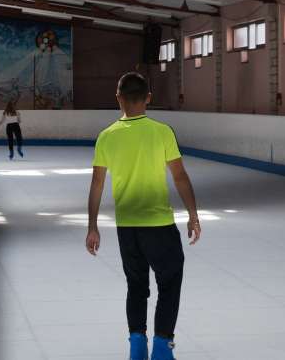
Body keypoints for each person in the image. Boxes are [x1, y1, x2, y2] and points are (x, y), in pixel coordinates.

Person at [85, 72, 201, 360]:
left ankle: (137, 346)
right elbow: (180, 176)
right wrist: (193, 214)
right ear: (149, 98)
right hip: (159, 225)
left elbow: (97, 184)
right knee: (169, 282)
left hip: (127, 228)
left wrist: (92, 226)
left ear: (118, 98)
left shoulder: (107, 136)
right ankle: (162, 348)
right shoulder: (162, 132)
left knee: (136, 286)